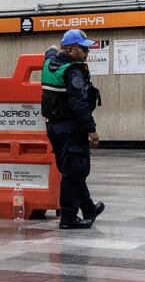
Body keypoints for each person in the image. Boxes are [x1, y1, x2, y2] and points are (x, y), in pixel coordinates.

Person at [41, 29, 106, 230]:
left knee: (72, 171)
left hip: (53, 128)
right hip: (71, 129)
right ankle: (68, 217)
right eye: (82, 48)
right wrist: (91, 130)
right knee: (74, 173)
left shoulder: (50, 63)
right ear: (69, 50)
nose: (87, 52)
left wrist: (53, 48)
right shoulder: (73, 71)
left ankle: (88, 208)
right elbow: (79, 103)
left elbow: (50, 51)